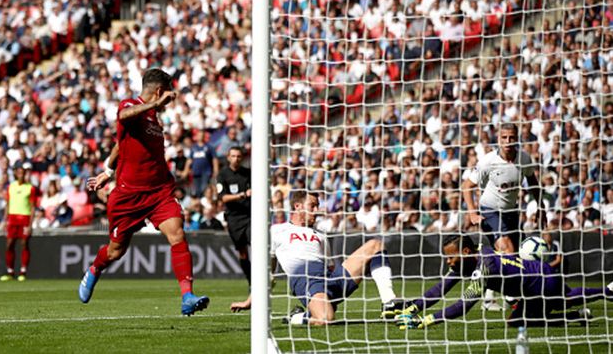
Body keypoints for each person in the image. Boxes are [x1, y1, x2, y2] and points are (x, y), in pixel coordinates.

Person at [79, 68, 209, 316]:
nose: (168, 101)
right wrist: (109, 174)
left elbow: (121, 144)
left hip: (160, 191)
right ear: (159, 91)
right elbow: (124, 117)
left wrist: (107, 170)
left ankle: (187, 296)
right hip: (129, 195)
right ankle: (95, 268)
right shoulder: (131, 105)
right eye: (167, 95)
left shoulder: (153, 118)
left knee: (177, 234)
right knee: (116, 251)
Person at [231, 191, 401, 325]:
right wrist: (249, 301)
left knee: (375, 245)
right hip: (306, 278)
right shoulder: (276, 231)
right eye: (312, 206)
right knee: (326, 319)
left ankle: (389, 302)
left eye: (317, 206)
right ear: (297, 206)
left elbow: (331, 266)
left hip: (330, 278)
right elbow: (269, 274)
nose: (316, 210)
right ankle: (297, 318)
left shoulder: (321, 236)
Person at [394, 235, 613, 329]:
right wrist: (413, 308)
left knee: (561, 302)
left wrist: (427, 320)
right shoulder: (469, 260)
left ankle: (604, 293)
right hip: (534, 281)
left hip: (542, 281)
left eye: (450, 256)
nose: (448, 262)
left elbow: (464, 305)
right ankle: (582, 311)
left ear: (466, 251)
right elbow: (441, 288)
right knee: (522, 320)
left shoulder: (485, 267)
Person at [463, 123, 541, 310]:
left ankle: (490, 297)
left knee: (511, 257)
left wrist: (541, 206)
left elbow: (533, 182)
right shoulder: (488, 161)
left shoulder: (524, 158)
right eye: (504, 137)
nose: (508, 141)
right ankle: (511, 295)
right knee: (508, 249)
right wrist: (472, 212)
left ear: (517, 138)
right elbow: (467, 186)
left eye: (511, 137)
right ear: (498, 139)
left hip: (511, 212)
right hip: (489, 211)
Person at [217, 146, 252, 292]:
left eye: (238, 156)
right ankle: (251, 281)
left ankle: (261, 280)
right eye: (233, 156)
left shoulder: (248, 173)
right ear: (228, 157)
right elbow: (223, 197)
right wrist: (243, 195)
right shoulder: (222, 175)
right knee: (243, 252)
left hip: (250, 216)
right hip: (234, 218)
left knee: (256, 246)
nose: (236, 159)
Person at [0, 163, 39, 282]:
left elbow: (32, 207)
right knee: (9, 244)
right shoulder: (11, 187)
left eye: (23, 172)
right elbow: (8, 204)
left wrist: (31, 224)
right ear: (16, 173)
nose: (21, 175)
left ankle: (23, 271)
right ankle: (10, 271)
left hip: (25, 218)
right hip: (12, 219)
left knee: (24, 244)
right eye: (19, 172)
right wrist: (4, 220)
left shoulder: (30, 188)